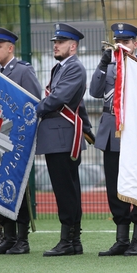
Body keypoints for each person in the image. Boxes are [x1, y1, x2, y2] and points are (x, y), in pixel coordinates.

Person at [90, 22, 137, 257]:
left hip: (135, 135)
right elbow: (94, 91)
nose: (121, 45)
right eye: (118, 42)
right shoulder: (110, 67)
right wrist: (103, 64)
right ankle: (121, 238)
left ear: (135, 44)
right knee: (114, 187)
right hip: (111, 132)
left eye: (126, 42)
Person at [0, 26, 43, 255]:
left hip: (15, 141)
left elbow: (34, 103)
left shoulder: (22, 71)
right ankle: (7, 237)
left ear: (10, 48)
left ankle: (22, 238)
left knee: (18, 188)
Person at [37, 23, 92, 257]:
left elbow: (59, 97)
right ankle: (73, 240)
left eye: (60, 42)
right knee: (66, 189)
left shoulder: (74, 68)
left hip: (63, 136)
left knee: (66, 190)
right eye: (55, 42)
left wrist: (36, 108)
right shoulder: (62, 67)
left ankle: (68, 241)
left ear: (73, 46)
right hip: (58, 136)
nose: (55, 45)